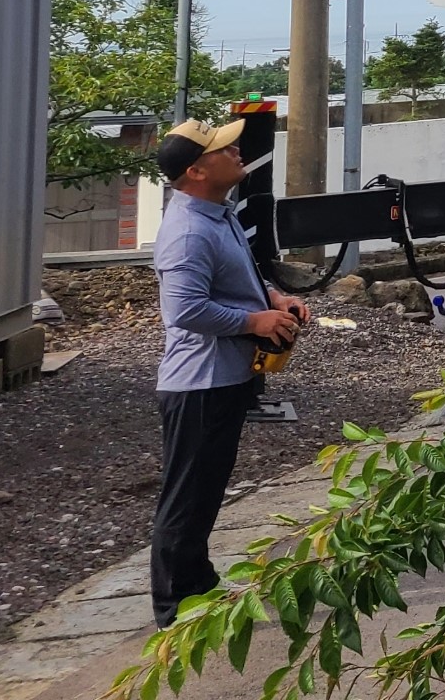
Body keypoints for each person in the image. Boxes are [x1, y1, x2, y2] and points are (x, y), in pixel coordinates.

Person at [149, 118, 310, 628]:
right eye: (223, 149)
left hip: (224, 379)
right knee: (187, 499)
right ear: (196, 170)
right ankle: (175, 610)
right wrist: (254, 320)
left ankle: (200, 588)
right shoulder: (188, 232)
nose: (237, 150)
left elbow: (236, 274)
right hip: (199, 384)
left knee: (205, 493)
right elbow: (186, 311)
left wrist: (274, 299)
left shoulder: (218, 214)